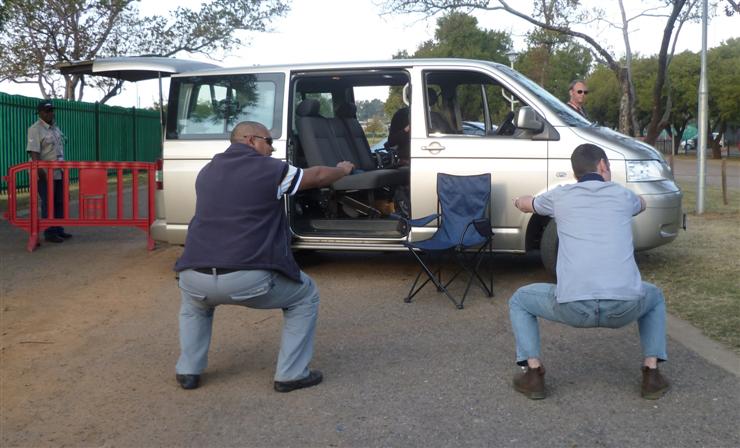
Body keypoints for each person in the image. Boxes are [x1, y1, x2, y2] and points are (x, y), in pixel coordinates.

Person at [173, 121, 355, 392]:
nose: (272, 149)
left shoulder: (207, 171)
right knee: (306, 296)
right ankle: (291, 374)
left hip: (193, 275)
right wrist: (342, 170)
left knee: (195, 306)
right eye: (269, 142)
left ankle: (188, 371)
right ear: (250, 140)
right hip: (246, 278)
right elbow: (315, 176)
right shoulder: (268, 169)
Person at [509, 143, 670, 401]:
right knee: (654, 297)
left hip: (575, 307)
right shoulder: (622, 195)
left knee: (520, 300)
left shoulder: (559, 196)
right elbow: (641, 203)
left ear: (575, 174)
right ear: (603, 166)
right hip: (624, 306)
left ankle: (533, 374)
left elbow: (529, 204)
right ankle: (651, 373)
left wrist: (518, 201)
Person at [26, 100, 71, 243]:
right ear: (39, 113)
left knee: (59, 201)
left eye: (51, 110)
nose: (50, 113)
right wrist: (40, 172)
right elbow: (34, 152)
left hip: (58, 171)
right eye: (46, 111)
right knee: (48, 201)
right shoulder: (35, 129)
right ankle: (50, 232)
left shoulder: (55, 128)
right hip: (44, 173)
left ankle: (58, 229)